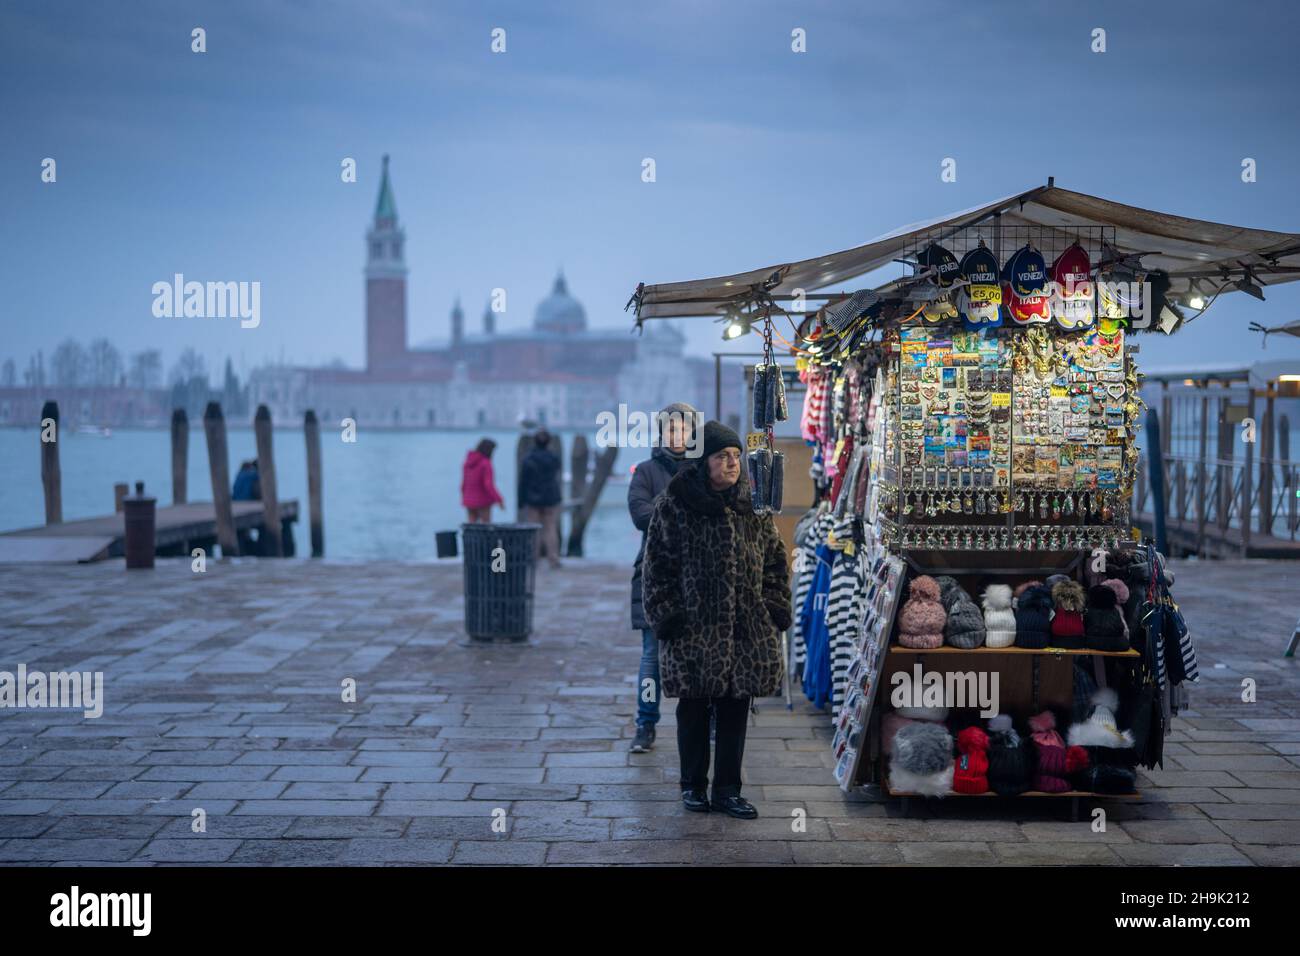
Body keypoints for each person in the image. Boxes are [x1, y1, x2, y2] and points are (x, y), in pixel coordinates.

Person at [641, 420, 791, 819]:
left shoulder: (752, 505)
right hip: (692, 631)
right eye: (722, 457)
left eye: (737, 457)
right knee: (692, 711)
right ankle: (692, 786)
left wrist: (774, 605)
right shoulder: (674, 505)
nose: (732, 464)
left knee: (734, 711)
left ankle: (728, 790)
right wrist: (668, 617)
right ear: (703, 462)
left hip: (745, 631)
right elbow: (657, 569)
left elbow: (776, 560)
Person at [627, 402, 699, 753]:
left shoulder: (705, 469)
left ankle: (707, 722)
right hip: (653, 575)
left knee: (701, 653)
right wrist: (679, 493)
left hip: (700, 576)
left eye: (682, 429)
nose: (676, 435)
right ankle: (646, 724)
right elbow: (642, 517)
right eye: (670, 429)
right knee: (651, 657)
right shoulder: (644, 471)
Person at [519, 429, 563, 568]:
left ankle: (534, 558)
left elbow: (523, 482)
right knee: (550, 528)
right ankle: (553, 558)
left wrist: (521, 500)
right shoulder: (554, 458)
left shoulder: (528, 458)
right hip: (550, 498)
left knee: (534, 530)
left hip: (533, 499)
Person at [461, 438, 505, 523]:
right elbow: (488, 485)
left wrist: (464, 497)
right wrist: (499, 499)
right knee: (485, 526)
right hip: (483, 500)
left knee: (471, 527)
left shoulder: (467, 463)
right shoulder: (486, 463)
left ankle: (470, 537)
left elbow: (463, 484)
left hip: (468, 500)